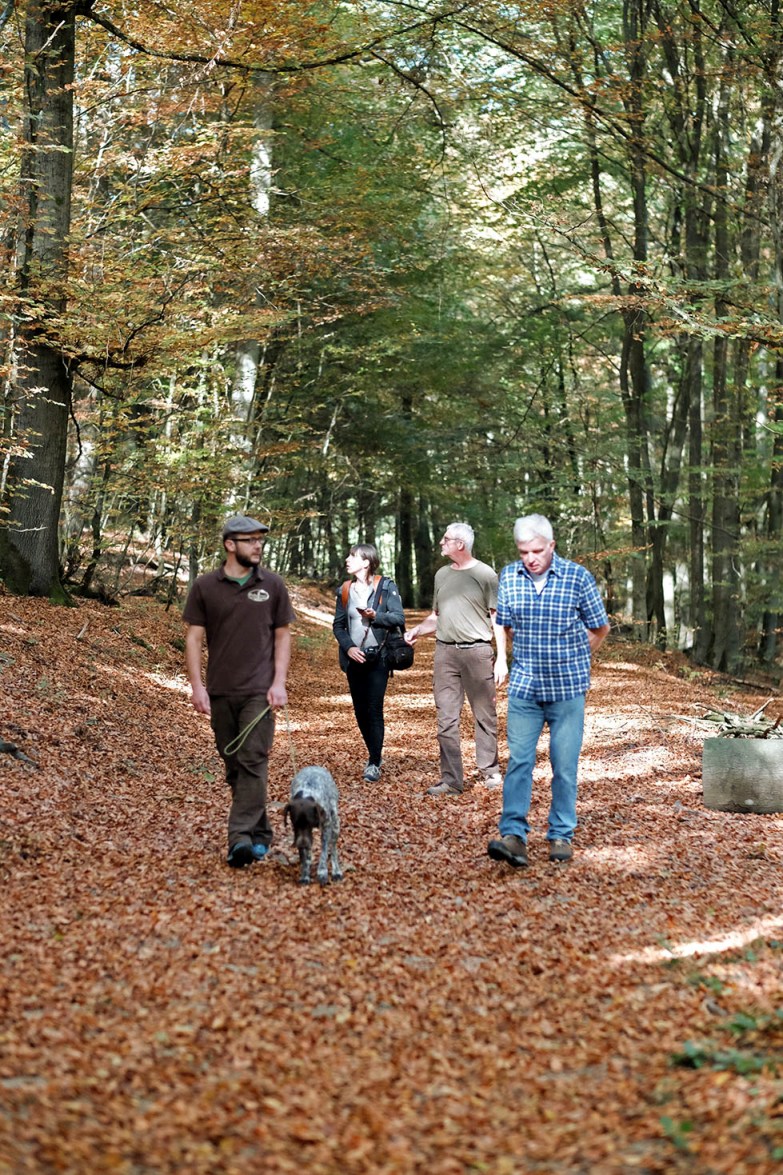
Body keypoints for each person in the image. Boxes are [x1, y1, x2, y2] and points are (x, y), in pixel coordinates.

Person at [487, 513, 610, 867]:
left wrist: (576, 656)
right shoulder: (510, 576)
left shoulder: (577, 577)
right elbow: (505, 625)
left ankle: (560, 834)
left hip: (568, 690)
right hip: (525, 689)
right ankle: (513, 836)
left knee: (564, 765)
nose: (530, 557)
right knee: (519, 762)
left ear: (552, 546)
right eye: (524, 551)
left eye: (537, 550)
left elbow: (600, 627)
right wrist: (507, 659)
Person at [184, 514, 296, 869]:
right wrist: (197, 686)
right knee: (234, 767)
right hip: (219, 691)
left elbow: (282, 636)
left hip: (259, 693)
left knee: (252, 760)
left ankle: (238, 839)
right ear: (230, 545)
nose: (258, 546)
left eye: (260, 540)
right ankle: (260, 832)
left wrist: (278, 682)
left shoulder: (273, 585)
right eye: (249, 540)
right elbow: (193, 638)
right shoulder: (205, 586)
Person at [405, 522, 507, 796]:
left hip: (477, 652)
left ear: (460, 544)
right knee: (446, 718)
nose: (441, 542)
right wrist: (417, 630)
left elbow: (498, 619)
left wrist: (501, 659)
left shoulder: (486, 574)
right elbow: (436, 617)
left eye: (446, 539)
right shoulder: (441, 575)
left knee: (484, 715)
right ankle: (451, 780)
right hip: (445, 653)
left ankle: (490, 771)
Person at [332, 543, 405, 782]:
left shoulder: (385, 586)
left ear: (366, 562)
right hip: (354, 659)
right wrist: (349, 648)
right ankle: (373, 752)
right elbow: (339, 625)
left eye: (352, 556)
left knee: (374, 709)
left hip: (379, 658)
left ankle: (374, 761)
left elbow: (398, 617)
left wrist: (377, 616)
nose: (347, 559)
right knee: (360, 711)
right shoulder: (344, 590)